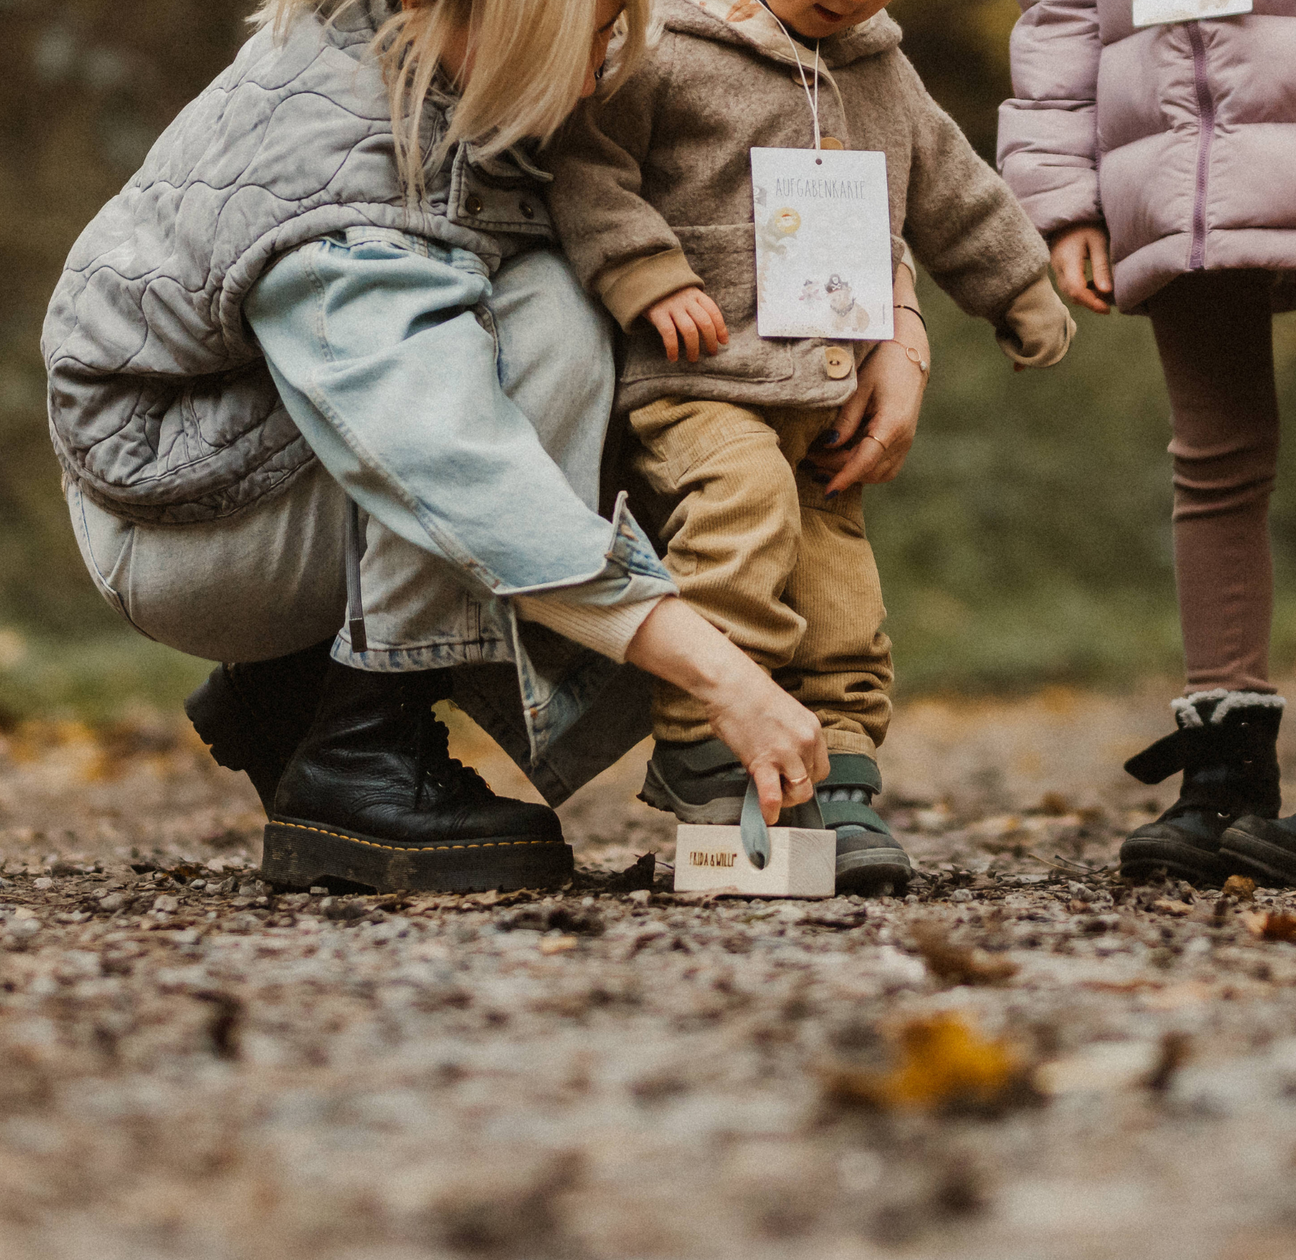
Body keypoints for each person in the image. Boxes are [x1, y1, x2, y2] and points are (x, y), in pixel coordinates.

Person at [43, 0, 830, 896]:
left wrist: (892, 330)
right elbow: (451, 461)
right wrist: (722, 674)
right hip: (189, 524)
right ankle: (359, 757)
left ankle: (300, 699)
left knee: (576, 301)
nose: (599, 67)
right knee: (547, 339)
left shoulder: (422, 56)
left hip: (259, 459)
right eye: (592, 29)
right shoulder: (341, 164)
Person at [549, 0, 1074, 893]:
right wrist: (644, 273)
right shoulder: (667, 45)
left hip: (823, 389)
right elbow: (589, 166)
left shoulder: (877, 69)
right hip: (699, 379)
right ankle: (704, 729)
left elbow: (956, 188)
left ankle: (836, 765)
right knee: (745, 502)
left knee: (841, 581)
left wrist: (1021, 288)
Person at [1001, 0, 1296, 888]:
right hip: (1172, 162)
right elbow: (1057, 14)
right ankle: (1223, 771)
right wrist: (1062, 195)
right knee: (1211, 457)